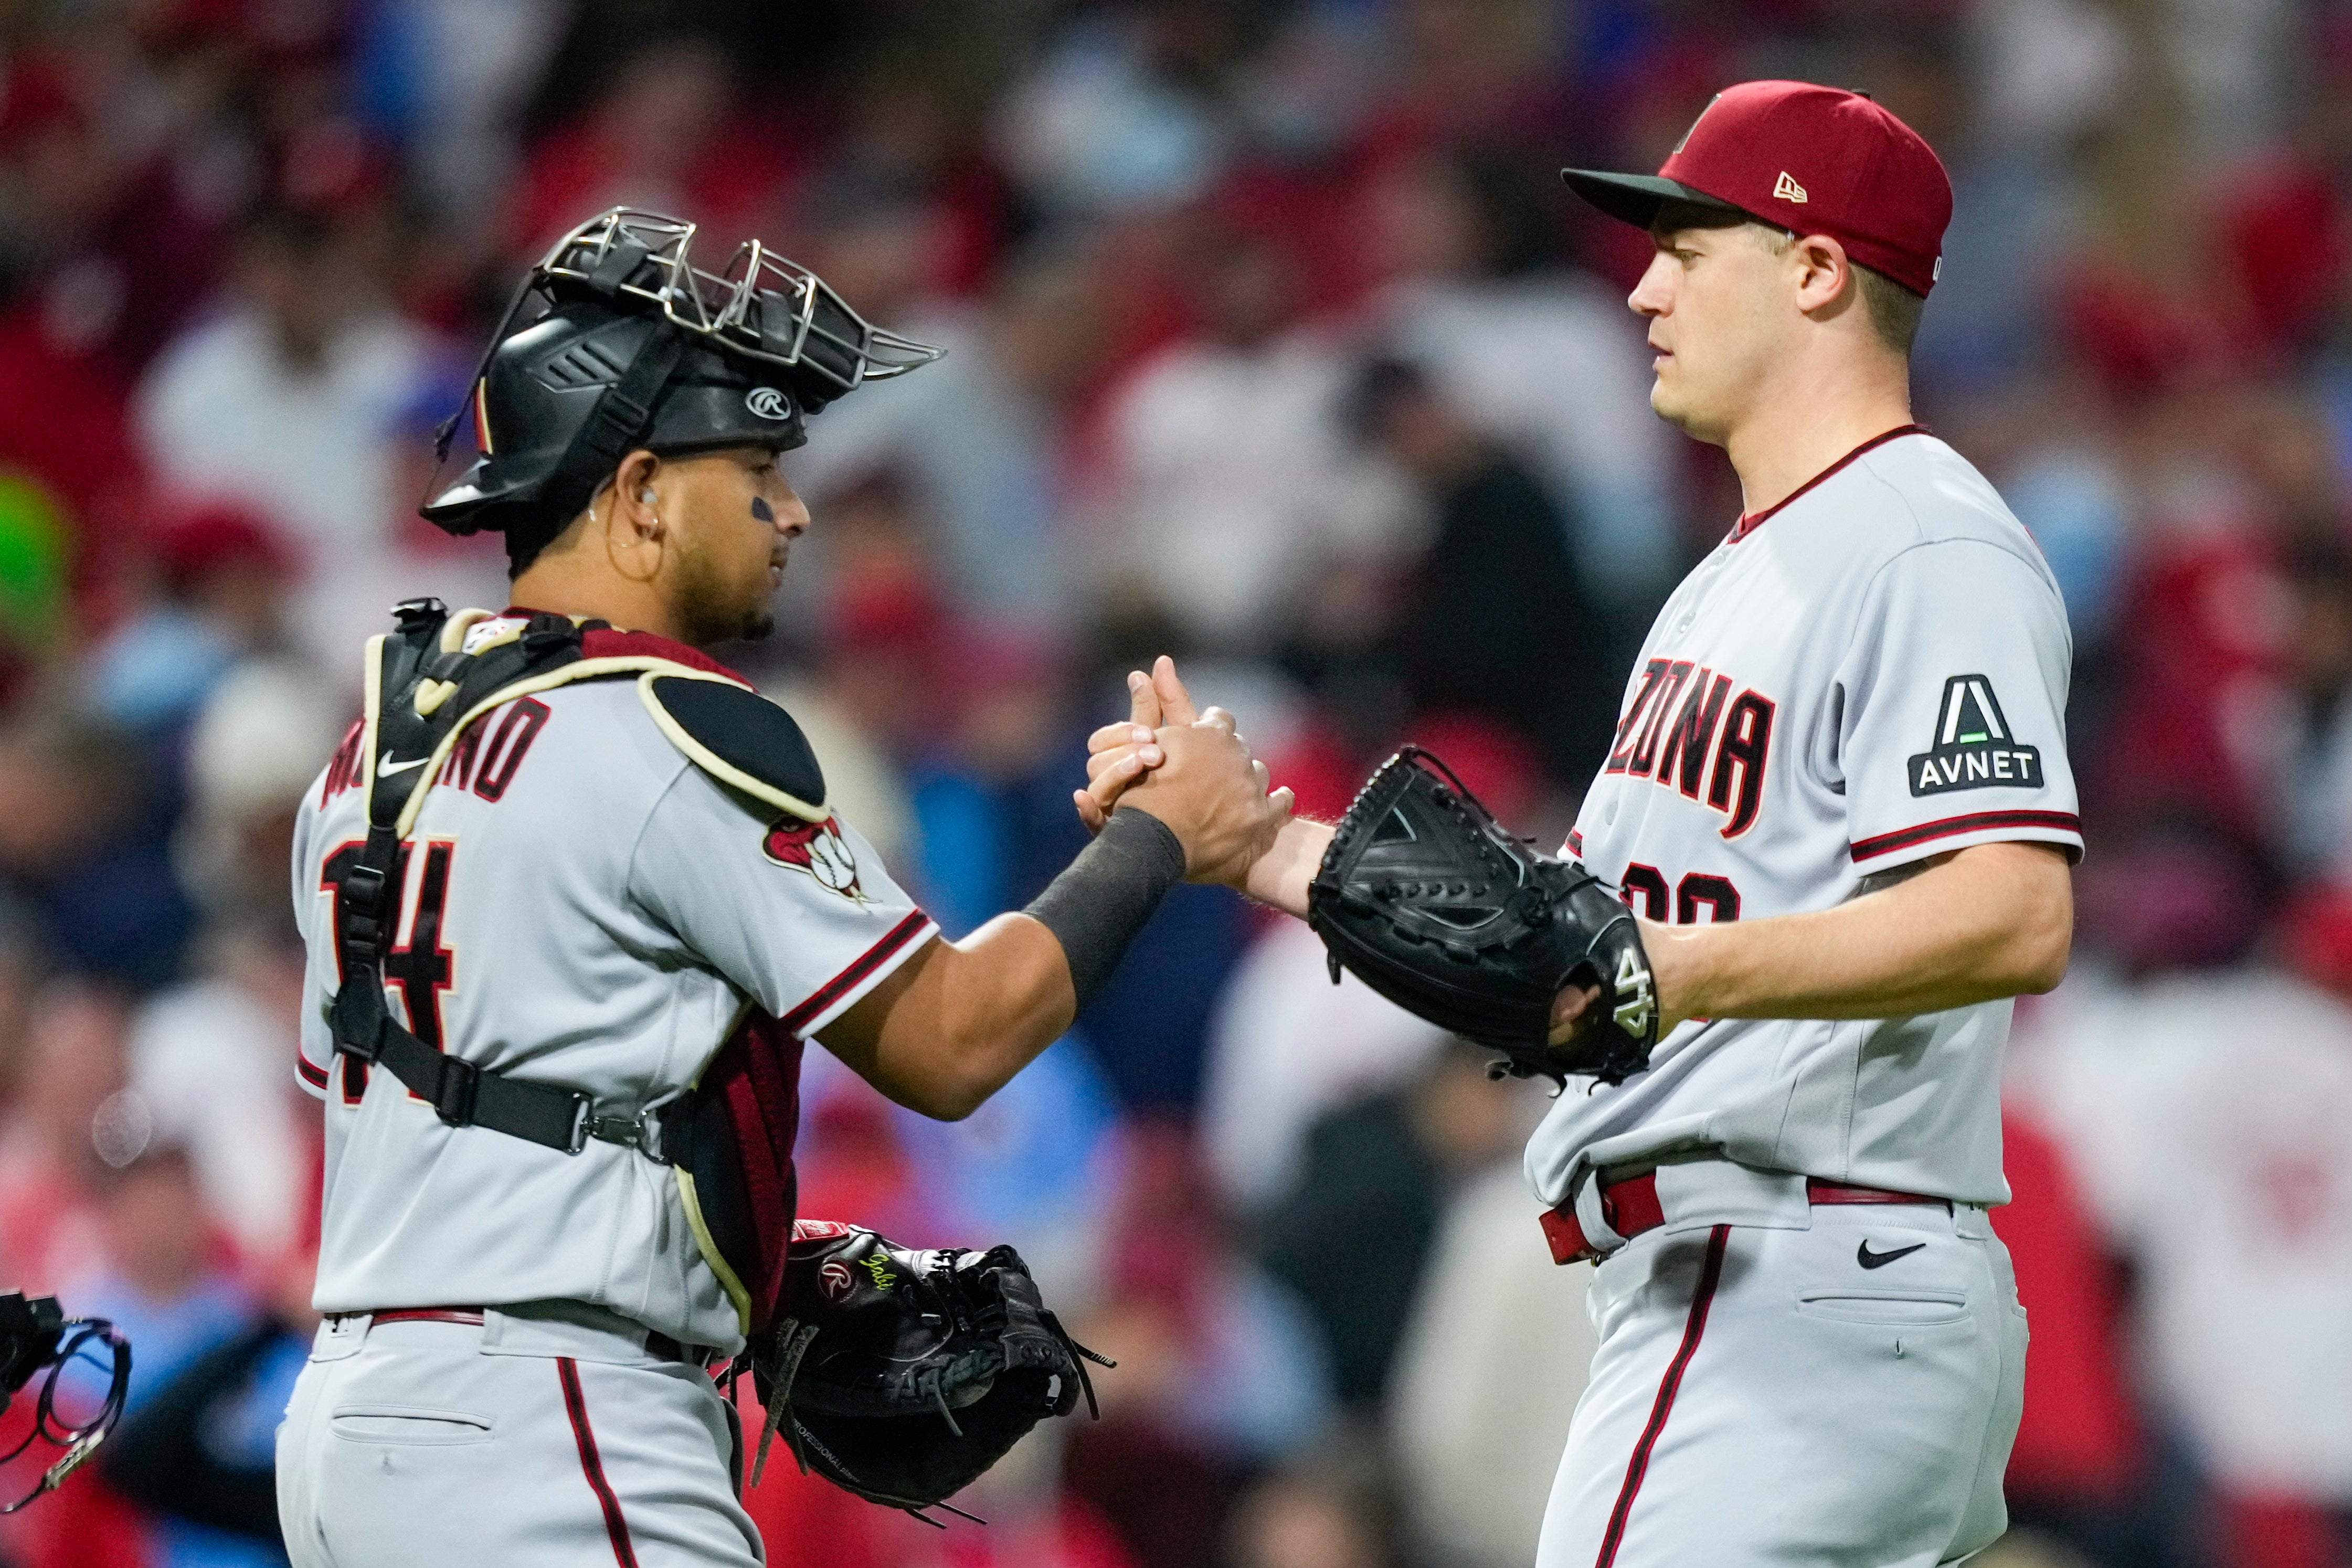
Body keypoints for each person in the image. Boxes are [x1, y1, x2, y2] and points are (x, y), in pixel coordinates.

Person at [1085, 82, 2078, 1567]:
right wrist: (1265, 848)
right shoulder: (1732, 577)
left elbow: (2012, 908)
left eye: (1689, 248)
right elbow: (1559, 957)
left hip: (1790, 1273)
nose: (1642, 288)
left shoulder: (1921, 539)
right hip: (1766, 1278)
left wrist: (1669, 971)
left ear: (1816, 269)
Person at [273, 209, 1288, 1568]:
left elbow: (445, 1100)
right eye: (752, 466)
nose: (792, 509)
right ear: (640, 492)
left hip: (352, 1427)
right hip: (556, 1420)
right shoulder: (666, 725)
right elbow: (951, 1040)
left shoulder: (372, 750)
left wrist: (740, 1242)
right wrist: (1160, 834)